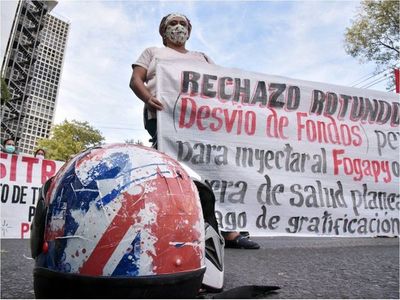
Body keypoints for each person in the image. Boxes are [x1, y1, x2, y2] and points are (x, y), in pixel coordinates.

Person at [129, 13, 259, 250]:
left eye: (183, 24)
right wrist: (148, 98)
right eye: (172, 24)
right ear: (163, 31)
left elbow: (222, 84)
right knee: (171, 173)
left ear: (189, 30)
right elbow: (135, 80)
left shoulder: (201, 57)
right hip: (165, 118)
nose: (178, 27)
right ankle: (171, 229)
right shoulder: (152, 53)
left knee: (217, 171)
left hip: (202, 123)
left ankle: (230, 232)